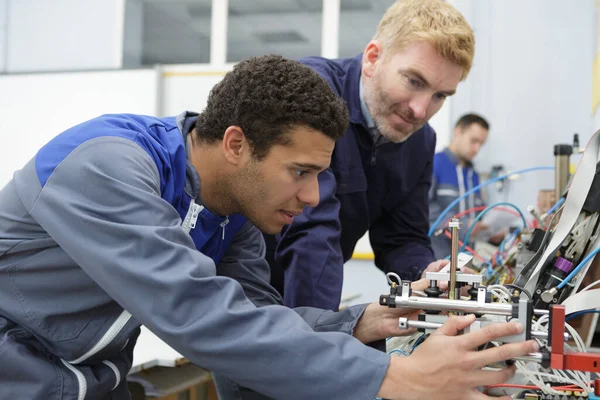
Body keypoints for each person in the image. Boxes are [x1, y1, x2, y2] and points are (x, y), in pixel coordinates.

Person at [0, 54, 537, 400]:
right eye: (300, 173)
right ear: (236, 145)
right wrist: (399, 378)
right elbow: (202, 317)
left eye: (320, 176)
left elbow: (255, 318)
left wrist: (368, 321)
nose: (310, 196)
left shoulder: (233, 214)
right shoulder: (106, 166)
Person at [265, 0, 476, 312]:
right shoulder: (312, 92)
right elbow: (311, 233)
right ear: (373, 58)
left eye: (439, 95)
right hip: (242, 280)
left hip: (300, 296)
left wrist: (428, 274)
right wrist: (318, 340)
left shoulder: (420, 141)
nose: (420, 110)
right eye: (414, 81)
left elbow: (402, 238)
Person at [429, 113, 504, 259]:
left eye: (481, 144)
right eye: (474, 141)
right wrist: (463, 226)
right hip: (435, 260)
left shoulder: (474, 176)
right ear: (457, 132)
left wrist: (490, 233)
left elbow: (477, 216)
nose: (476, 149)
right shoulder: (434, 165)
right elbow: (424, 213)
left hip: (465, 262)